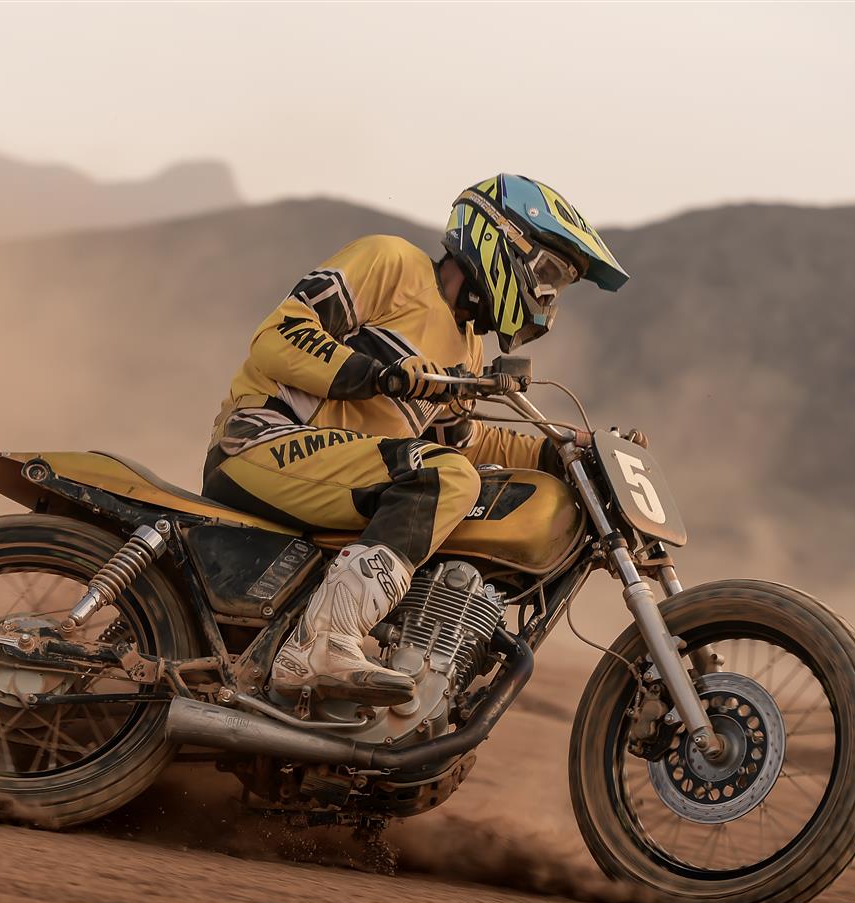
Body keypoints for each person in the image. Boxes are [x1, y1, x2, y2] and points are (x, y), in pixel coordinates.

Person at [202, 174, 628, 706]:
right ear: (499, 240)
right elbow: (278, 336)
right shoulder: (393, 262)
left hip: (333, 477)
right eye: (546, 275)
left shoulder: (468, 348)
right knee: (444, 476)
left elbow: (463, 440)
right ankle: (321, 645)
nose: (546, 296)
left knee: (454, 474)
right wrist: (379, 375)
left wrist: (564, 449)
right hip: (262, 440)